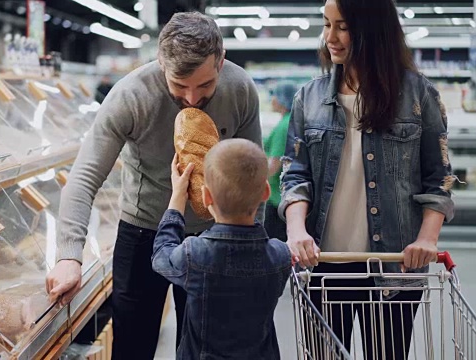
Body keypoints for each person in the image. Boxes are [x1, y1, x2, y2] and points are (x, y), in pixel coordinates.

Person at [45, 12, 264, 360]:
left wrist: (252, 240)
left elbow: (252, 174)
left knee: (206, 348)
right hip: (141, 232)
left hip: (211, 235)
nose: (192, 98)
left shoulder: (240, 89)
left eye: (205, 86)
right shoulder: (131, 96)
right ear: (161, 63)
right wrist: (68, 256)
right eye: (180, 86)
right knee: (133, 345)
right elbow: (85, 176)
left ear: (220, 63)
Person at [280, 0, 454, 359]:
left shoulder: (418, 95)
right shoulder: (308, 98)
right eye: (327, 24)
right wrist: (296, 229)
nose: (330, 37)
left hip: (394, 263)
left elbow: (438, 177)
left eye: (342, 26)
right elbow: (295, 174)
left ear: (373, 29)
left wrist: (426, 239)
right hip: (323, 265)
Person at [152, 139, 291, 360]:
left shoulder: (194, 254)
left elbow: (161, 255)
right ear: (265, 191)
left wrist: (177, 197)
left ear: (206, 196)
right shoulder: (280, 256)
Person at [263, 82, 298, 241]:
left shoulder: (283, 126)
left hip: (276, 198)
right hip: (286, 196)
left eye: (274, 95)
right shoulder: (291, 121)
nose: (272, 100)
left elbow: (274, 165)